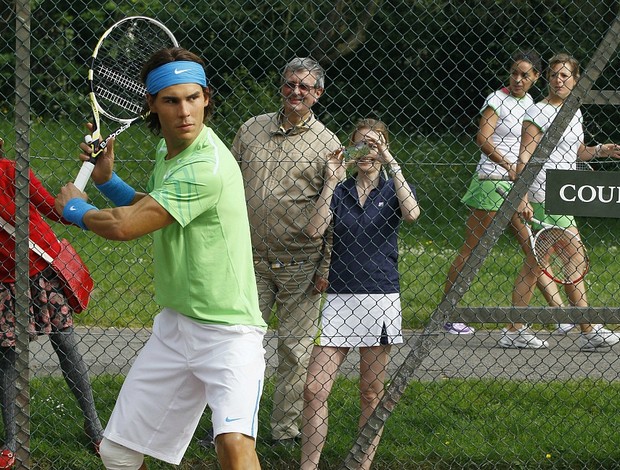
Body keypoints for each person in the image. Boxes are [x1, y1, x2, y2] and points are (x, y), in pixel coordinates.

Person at [55, 48, 267, 470]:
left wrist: (75, 210)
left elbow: (126, 226)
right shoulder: (168, 154)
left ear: (207, 98)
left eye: (193, 98)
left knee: (233, 445)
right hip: (175, 327)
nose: (184, 111)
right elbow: (153, 209)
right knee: (117, 452)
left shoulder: (206, 165)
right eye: (171, 101)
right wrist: (107, 180)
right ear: (152, 104)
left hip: (229, 333)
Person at [232, 57, 342, 447]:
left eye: (305, 87)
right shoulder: (251, 130)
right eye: (290, 84)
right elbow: (227, 185)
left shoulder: (329, 145)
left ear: (318, 94)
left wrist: (325, 266)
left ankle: (284, 430)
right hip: (249, 260)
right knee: (240, 344)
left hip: (302, 264)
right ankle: (235, 427)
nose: (296, 92)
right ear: (282, 87)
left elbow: (333, 213)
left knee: (294, 352)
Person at [300, 119, 420, 470]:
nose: (366, 151)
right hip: (339, 298)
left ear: (383, 149)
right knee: (313, 390)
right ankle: (309, 466)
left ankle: (361, 464)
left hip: (379, 297)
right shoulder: (340, 190)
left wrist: (392, 163)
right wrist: (332, 181)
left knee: (370, 392)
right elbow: (314, 230)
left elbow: (412, 213)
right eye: (359, 144)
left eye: (374, 144)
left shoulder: (391, 190)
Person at [442, 50, 567, 336]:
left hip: (519, 186)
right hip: (491, 182)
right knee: (473, 251)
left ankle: (561, 315)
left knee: (535, 251)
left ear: (536, 77)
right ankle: (446, 314)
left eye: (525, 75)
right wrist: (507, 165)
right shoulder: (496, 99)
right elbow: (482, 138)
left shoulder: (533, 106)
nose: (518, 79)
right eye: (514, 73)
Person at [503, 52, 620, 350]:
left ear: (576, 79)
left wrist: (601, 150)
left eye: (565, 75)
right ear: (548, 79)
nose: (558, 80)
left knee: (535, 264)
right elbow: (524, 157)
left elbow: (577, 152)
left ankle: (514, 329)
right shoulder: (538, 113)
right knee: (573, 258)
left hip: (565, 195)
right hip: (545, 195)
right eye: (554, 74)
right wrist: (523, 196)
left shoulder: (573, 111)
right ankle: (587, 329)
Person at [0, 138, 103, 470]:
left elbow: (54, 211)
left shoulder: (12, 173)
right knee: (8, 359)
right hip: (6, 284)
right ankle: (11, 442)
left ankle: (96, 429)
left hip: (43, 273)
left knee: (67, 347)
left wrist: (77, 201)